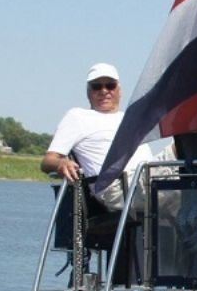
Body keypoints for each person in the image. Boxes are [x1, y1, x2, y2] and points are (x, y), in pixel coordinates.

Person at [42, 62, 152, 211]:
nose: (104, 91)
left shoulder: (131, 118)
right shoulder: (78, 117)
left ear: (119, 90)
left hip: (148, 179)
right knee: (178, 151)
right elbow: (47, 161)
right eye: (97, 86)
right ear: (88, 92)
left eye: (110, 86)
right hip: (117, 188)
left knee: (184, 159)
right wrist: (61, 163)